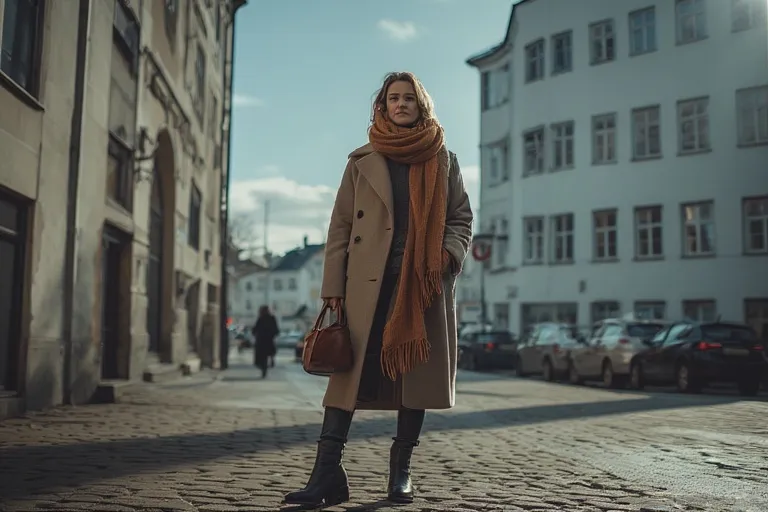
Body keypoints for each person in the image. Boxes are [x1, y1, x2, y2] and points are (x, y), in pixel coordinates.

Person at [284, 71, 473, 508]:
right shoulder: (361, 161)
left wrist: (446, 256)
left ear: (421, 106)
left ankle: (401, 470)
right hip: (366, 284)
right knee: (347, 375)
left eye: (409, 98)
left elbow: (461, 217)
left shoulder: (443, 160)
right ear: (382, 106)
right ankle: (327, 473)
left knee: (415, 378)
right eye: (393, 98)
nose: (401, 104)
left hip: (421, 285)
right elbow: (341, 227)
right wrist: (333, 285)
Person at [252, 306, 278, 378]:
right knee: (269, 353)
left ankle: (264, 367)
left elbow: (254, 330)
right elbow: (276, 330)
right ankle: (271, 360)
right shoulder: (271, 318)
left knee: (261, 356)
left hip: (261, 341)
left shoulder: (261, 319)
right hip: (269, 340)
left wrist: (255, 334)